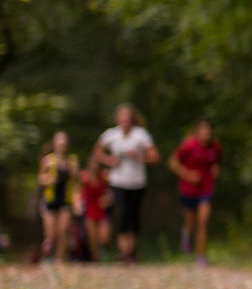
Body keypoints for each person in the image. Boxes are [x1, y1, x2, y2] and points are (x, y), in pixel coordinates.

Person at [96, 104, 158, 262]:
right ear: (118, 119)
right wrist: (109, 160)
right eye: (122, 118)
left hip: (137, 182)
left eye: (128, 119)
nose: (125, 122)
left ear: (132, 120)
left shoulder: (141, 135)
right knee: (122, 214)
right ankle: (124, 251)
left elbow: (155, 157)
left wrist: (139, 156)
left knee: (133, 216)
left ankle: (131, 251)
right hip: (118, 182)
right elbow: (97, 152)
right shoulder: (111, 135)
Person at [170, 118, 222, 267]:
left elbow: (216, 163)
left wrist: (215, 170)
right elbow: (173, 162)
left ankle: (201, 256)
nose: (206, 133)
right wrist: (187, 175)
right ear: (197, 132)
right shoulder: (189, 145)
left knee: (203, 221)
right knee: (191, 222)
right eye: (203, 130)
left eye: (208, 130)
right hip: (188, 189)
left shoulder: (215, 147)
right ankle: (186, 235)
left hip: (206, 189)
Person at [36, 132, 80, 263]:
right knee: (51, 235)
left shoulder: (72, 161)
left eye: (64, 143)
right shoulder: (47, 160)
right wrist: (48, 180)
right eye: (60, 143)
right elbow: (40, 178)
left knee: (64, 231)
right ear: (55, 144)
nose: (62, 145)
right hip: (50, 200)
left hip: (66, 200)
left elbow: (78, 181)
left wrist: (77, 201)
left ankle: (60, 259)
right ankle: (47, 255)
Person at [80, 155, 112, 262]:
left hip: (101, 209)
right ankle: (96, 260)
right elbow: (78, 191)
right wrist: (78, 203)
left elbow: (111, 192)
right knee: (92, 238)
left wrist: (108, 199)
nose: (94, 167)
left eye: (96, 165)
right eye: (92, 165)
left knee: (104, 238)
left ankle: (102, 251)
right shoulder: (84, 177)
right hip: (89, 209)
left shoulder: (104, 176)